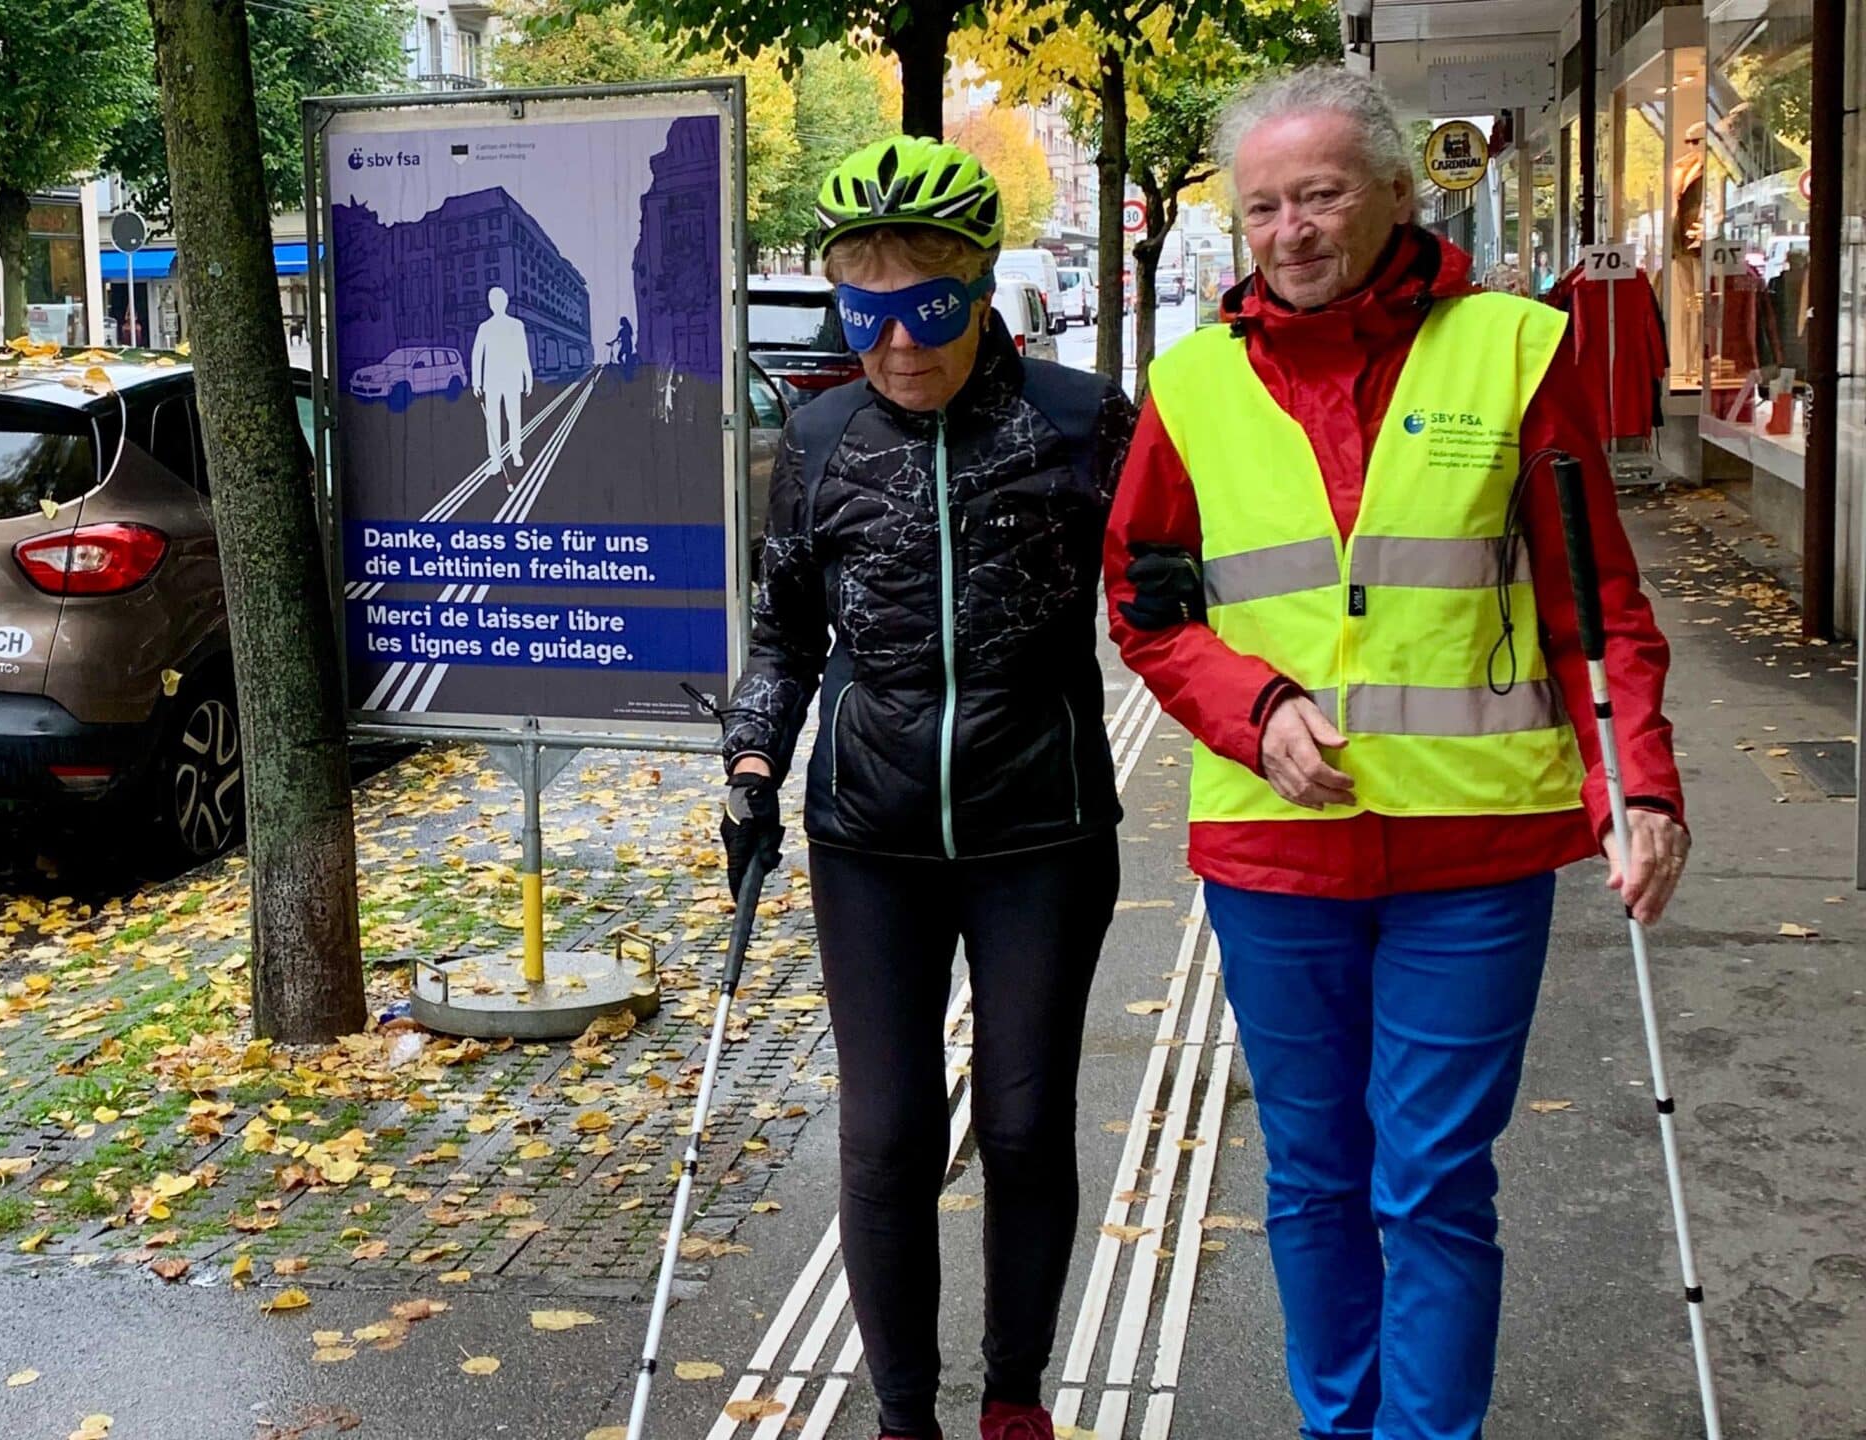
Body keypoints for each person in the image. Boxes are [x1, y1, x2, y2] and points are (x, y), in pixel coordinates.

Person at [1104, 67, 1687, 1440]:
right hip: (1276, 851)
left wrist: (1639, 783)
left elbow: (1596, 604)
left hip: (1475, 853)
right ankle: (1338, 1423)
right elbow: (1146, 598)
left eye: (1320, 195)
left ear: (1393, 195)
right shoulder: (1190, 383)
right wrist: (1252, 710)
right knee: (1310, 1173)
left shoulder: (1512, 349)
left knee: (1430, 1177)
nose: (1293, 229)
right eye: (1264, 206)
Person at [718, 135, 1136, 1440]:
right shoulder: (823, 433)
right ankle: (906, 1419)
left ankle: (1015, 1400)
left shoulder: (1078, 423)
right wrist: (751, 763)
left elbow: (1172, 600)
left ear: (980, 288)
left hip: (1042, 829)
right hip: (870, 838)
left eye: (929, 309)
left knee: (1021, 1124)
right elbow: (784, 631)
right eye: (868, 311)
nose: (898, 342)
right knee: (890, 1138)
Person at [470, 286, 532, 484]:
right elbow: (476, 355)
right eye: (493, 300)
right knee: (493, 421)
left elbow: (523, 353)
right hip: (492, 381)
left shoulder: (516, 326)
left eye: (498, 300)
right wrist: (476, 382)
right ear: (490, 304)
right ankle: (496, 461)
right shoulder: (484, 327)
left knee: (513, 417)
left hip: (511, 379)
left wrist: (527, 377)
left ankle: (515, 452)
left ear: (504, 302)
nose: (495, 303)